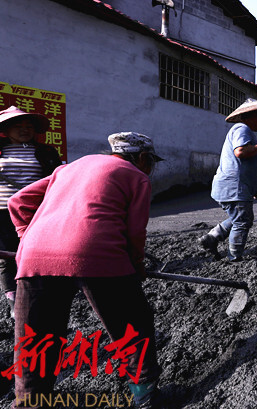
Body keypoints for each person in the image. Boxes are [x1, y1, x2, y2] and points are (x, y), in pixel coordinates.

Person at [8, 132, 164, 409]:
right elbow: (135, 232)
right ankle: (144, 396)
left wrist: (26, 239)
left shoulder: (67, 169)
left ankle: (30, 402)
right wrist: (136, 266)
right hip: (96, 252)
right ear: (142, 158)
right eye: (151, 162)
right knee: (133, 327)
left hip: (34, 258)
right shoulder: (136, 175)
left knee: (35, 342)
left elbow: (18, 201)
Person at [199, 99, 257, 262]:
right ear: (251, 117)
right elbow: (240, 152)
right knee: (242, 221)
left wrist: (253, 188)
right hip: (233, 187)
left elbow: (244, 166)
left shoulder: (246, 132)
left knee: (241, 218)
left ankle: (212, 238)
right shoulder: (241, 129)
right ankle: (234, 256)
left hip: (235, 187)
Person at [0, 107, 61, 318]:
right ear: (6, 130)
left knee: (36, 253)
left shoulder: (46, 152)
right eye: (18, 126)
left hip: (35, 212)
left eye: (29, 126)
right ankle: (13, 300)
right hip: (2, 212)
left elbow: (56, 181)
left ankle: (39, 293)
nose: (25, 130)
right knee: (7, 256)